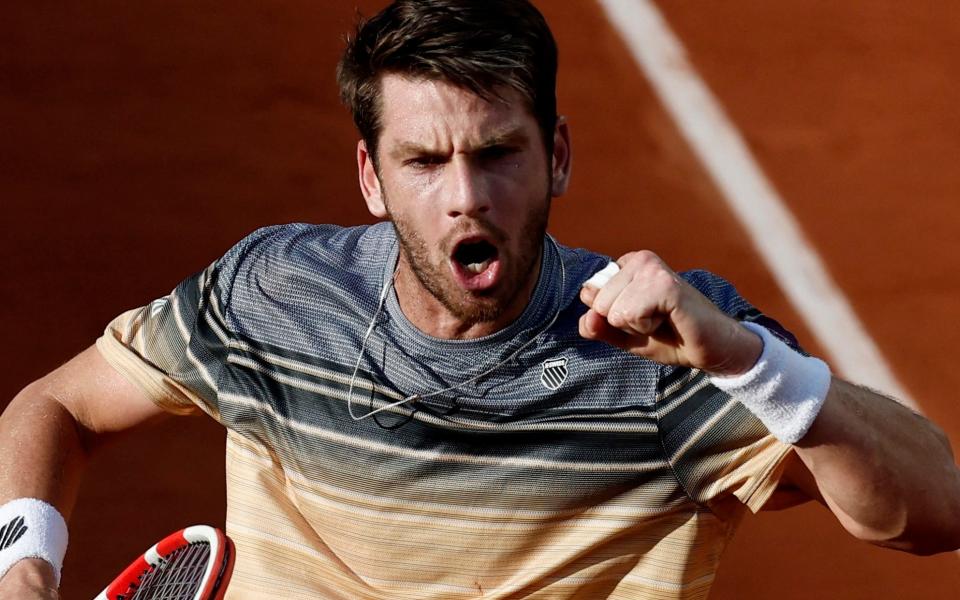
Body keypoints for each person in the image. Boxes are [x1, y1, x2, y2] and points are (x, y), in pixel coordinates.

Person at [1, 0, 959, 598]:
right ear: (372, 179)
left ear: (559, 157)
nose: (466, 195)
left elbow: (935, 510)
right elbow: (55, 406)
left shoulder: (661, 356)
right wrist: (25, 570)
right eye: (425, 161)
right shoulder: (275, 296)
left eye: (498, 152)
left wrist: (753, 367)